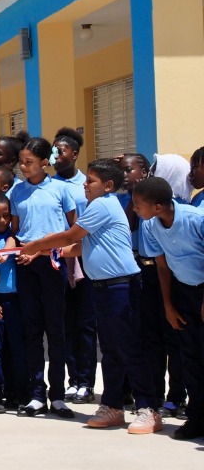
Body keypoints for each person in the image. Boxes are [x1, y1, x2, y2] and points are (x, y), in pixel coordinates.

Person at [24, 159, 162, 434]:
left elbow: (71, 235)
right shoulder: (96, 206)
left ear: (108, 186)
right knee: (110, 351)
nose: (85, 184)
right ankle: (112, 407)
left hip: (121, 286)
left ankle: (149, 408)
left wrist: (37, 243)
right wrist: (43, 251)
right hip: (102, 287)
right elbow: (78, 246)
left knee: (129, 348)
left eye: (91, 180)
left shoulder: (103, 204)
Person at [9, 136, 77, 418]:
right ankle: (37, 395)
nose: (23, 167)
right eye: (21, 162)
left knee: (56, 330)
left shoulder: (61, 190)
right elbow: (14, 231)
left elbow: (73, 232)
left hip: (52, 263)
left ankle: (58, 396)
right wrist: (11, 252)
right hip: (26, 266)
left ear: (44, 162)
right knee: (32, 330)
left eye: (29, 162)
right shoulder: (16, 192)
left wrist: (42, 252)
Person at [132, 177, 204, 441]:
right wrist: (169, 306)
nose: (135, 209)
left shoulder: (196, 220)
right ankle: (197, 418)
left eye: (139, 205)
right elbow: (162, 267)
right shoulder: (151, 225)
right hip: (183, 292)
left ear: (159, 205)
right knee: (191, 359)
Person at [119, 153, 185, 419]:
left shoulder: (174, 206)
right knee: (150, 338)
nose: (152, 172)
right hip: (145, 271)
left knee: (174, 338)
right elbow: (130, 225)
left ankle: (176, 397)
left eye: (156, 169)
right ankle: (153, 395)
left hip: (169, 274)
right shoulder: (140, 203)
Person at [51, 127, 97, 405]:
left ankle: (86, 382)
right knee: (65, 324)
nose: (56, 155)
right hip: (59, 262)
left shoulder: (86, 186)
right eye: (53, 150)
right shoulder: (51, 185)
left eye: (61, 150)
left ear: (75, 154)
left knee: (85, 324)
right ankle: (72, 380)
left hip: (85, 262)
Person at [0, 192, 26, 413]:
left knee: (18, 349)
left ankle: (18, 393)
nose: (1, 221)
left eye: (6, 216)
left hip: (16, 301)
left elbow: (13, 243)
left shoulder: (16, 237)